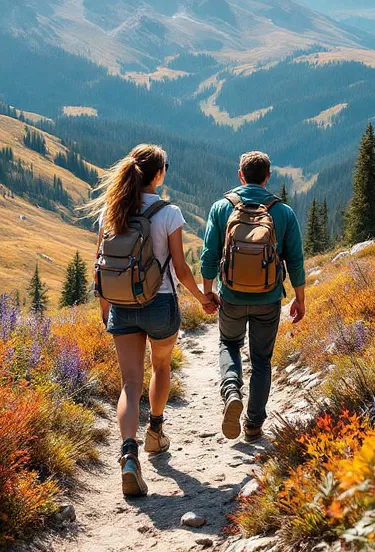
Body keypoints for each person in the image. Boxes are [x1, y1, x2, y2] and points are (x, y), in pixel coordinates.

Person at [86, 144, 218, 497]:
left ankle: (128, 456)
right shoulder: (168, 212)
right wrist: (203, 298)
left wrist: (105, 307)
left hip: (121, 305)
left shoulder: (110, 211)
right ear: (158, 174)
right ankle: (155, 434)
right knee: (161, 367)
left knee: (130, 383)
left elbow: (100, 264)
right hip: (159, 305)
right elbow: (180, 267)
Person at [200, 151, 306, 442]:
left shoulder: (222, 208)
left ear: (240, 175)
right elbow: (295, 259)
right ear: (268, 176)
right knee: (261, 360)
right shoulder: (282, 212)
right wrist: (300, 297)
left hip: (231, 297)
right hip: (268, 299)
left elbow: (209, 256)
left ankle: (232, 389)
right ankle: (253, 424)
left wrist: (208, 293)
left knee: (228, 343)